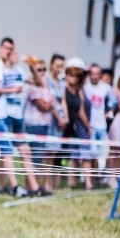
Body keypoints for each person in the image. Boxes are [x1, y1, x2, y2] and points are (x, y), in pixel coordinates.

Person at [0, 38, 40, 197]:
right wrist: (12, 90)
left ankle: (33, 187)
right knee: (1, 150)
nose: (11, 52)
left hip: (16, 115)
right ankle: (12, 187)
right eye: (8, 49)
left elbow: (36, 81)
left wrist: (32, 65)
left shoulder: (19, 70)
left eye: (13, 50)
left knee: (19, 150)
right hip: (0, 115)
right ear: (1, 49)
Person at [23, 58, 55, 195]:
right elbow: (42, 104)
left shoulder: (46, 85)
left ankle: (35, 187)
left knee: (38, 157)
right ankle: (31, 187)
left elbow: (52, 103)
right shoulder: (30, 84)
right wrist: (47, 105)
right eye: (38, 69)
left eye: (43, 69)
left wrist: (48, 105)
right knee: (33, 157)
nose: (41, 72)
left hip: (44, 124)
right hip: (33, 124)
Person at [60, 57, 93, 190]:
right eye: (72, 74)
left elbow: (80, 109)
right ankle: (72, 181)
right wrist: (87, 126)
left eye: (79, 75)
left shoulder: (79, 90)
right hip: (72, 126)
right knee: (73, 155)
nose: (76, 77)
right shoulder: (64, 88)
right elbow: (79, 111)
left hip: (78, 126)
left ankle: (86, 182)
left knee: (82, 155)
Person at [83, 64, 115, 177]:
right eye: (93, 74)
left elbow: (113, 102)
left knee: (101, 153)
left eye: (97, 74)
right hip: (89, 124)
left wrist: (108, 113)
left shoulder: (106, 87)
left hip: (102, 125)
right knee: (92, 152)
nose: (95, 76)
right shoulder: (85, 87)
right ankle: (89, 176)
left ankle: (97, 176)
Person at [45, 54, 67, 191]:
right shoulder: (46, 81)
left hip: (59, 121)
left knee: (54, 154)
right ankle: (46, 184)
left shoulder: (62, 83)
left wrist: (64, 117)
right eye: (57, 65)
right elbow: (50, 101)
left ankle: (52, 183)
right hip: (49, 120)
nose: (59, 69)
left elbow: (62, 100)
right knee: (47, 154)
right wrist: (58, 117)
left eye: (61, 66)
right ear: (51, 65)